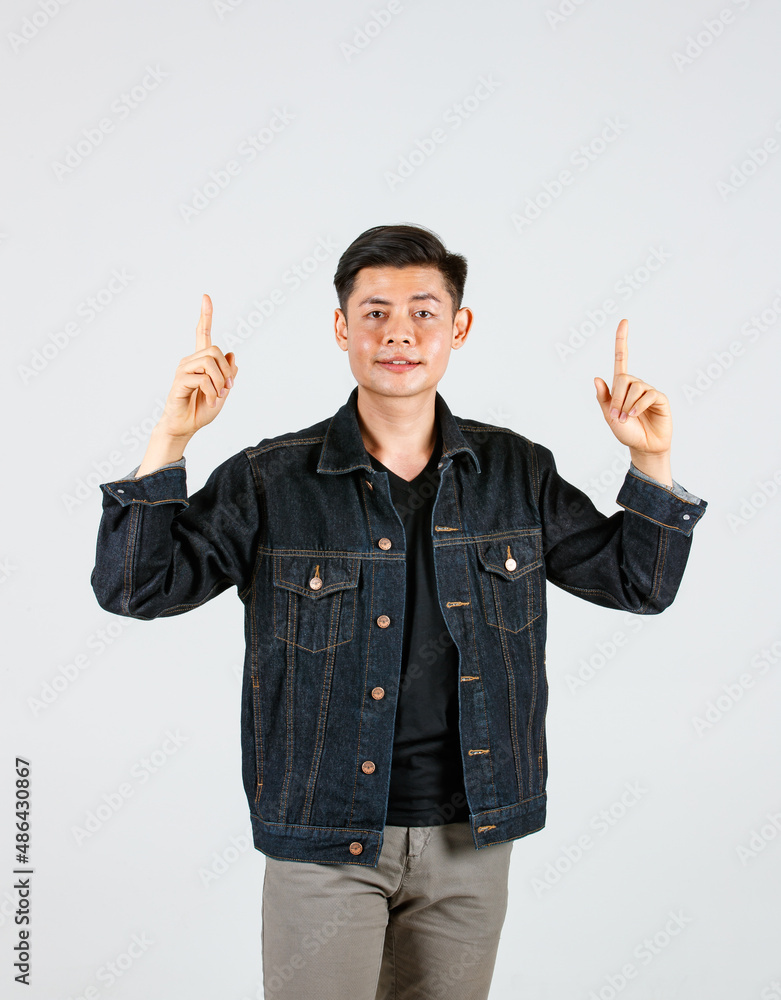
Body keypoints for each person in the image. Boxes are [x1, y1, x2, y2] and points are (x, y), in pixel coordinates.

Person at [91, 223, 708, 999]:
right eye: (375, 312)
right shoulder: (271, 479)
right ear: (342, 327)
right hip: (323, 836)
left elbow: (637, 583)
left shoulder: (514, 470)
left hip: (470, 838)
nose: (399, 334)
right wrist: (169, 441)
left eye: (423, 311)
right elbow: (135, 588)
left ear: (459, 327)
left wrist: (649, 461)